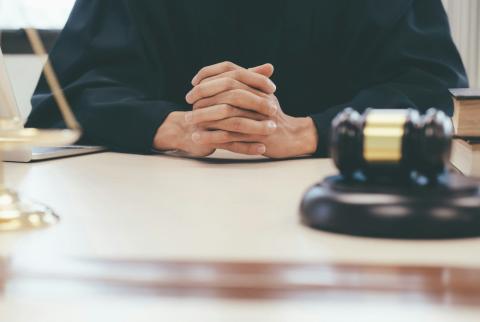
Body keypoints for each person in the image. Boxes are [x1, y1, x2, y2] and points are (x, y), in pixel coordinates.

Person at [27, 0, 468, 158]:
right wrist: (179, 126)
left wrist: (309, 132)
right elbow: (62, 100)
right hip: (163, 210)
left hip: (339, 210)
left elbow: (431, 97)